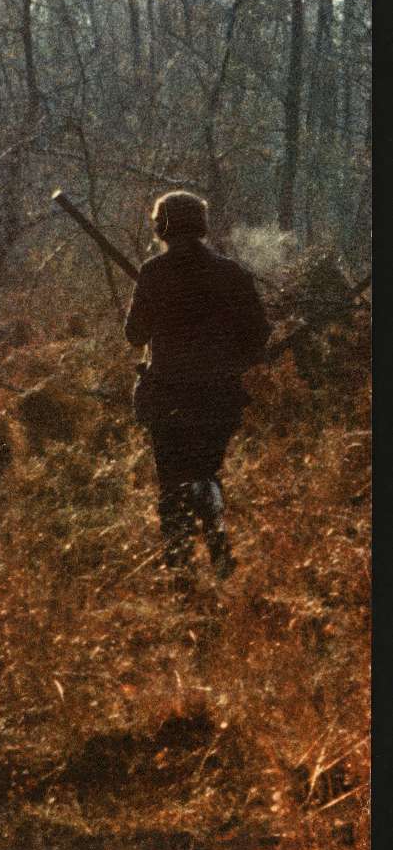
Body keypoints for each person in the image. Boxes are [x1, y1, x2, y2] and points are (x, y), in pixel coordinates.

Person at [125, 190, 270, 579]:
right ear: (201, 226)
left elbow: (134, 335)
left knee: (173, 480)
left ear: (161, 228)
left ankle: (179, 567)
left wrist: (155, 302)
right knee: (205, 470)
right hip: (219, 398)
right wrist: (233, 359)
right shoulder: (231, 273)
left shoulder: (153, 272)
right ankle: (218, 544)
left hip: (168, 397)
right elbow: (259, 334)